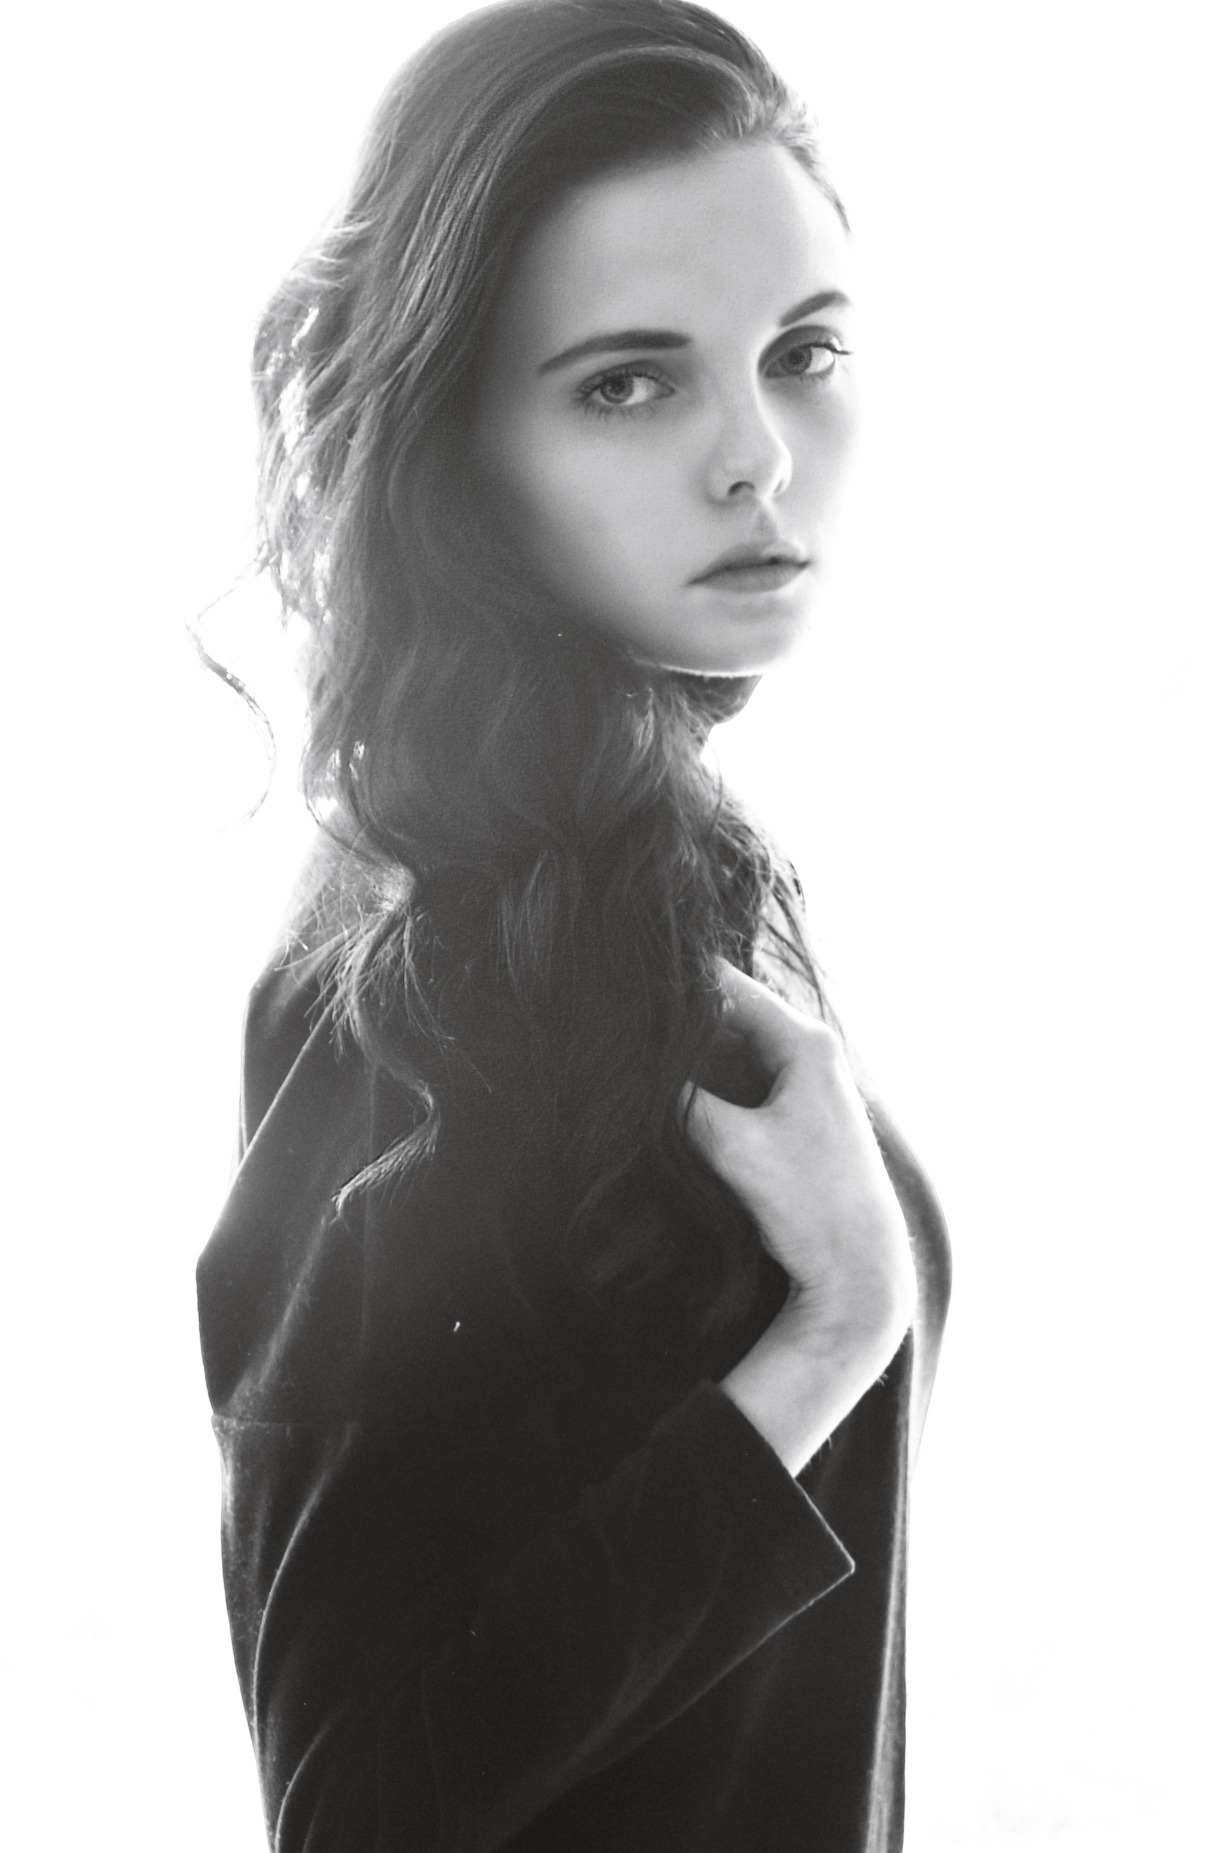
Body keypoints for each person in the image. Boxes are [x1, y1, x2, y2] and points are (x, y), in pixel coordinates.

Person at [196, 2, 951, 1848]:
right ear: (455, 446)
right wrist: (833, 1328)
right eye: (628, 382)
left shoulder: (653, 867)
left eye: (803, 351)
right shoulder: (433, 957)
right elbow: (357, 1802)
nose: (758, 456)